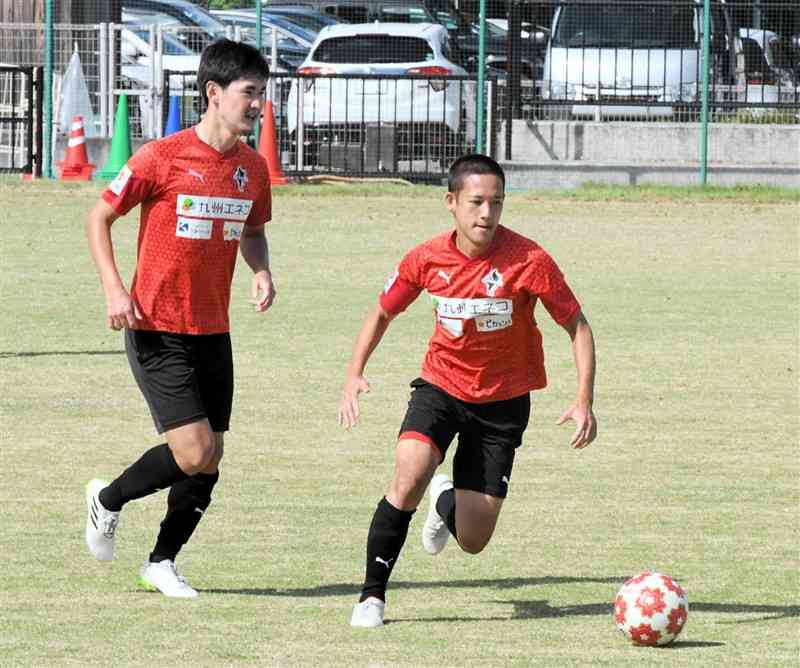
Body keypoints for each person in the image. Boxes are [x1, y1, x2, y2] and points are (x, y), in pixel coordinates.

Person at [338, 154, 597, 627]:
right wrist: (354, 372)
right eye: (476, 202)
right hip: (440, 387)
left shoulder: (529, 260)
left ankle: (444, 499)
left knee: (474, 539)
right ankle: (371, 597)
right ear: (451, 202)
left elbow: (577, 326)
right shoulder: (425, 258)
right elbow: (381, 312)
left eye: (496, 203)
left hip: (503, 404)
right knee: (408, 473)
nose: (486, 214)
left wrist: (584, 399)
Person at [84, 39, 275, 598]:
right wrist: (116, 289)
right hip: (156, 326)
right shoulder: (161, 157)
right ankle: (107, 499)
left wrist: (261, 271)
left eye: (262, 94)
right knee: (193, 452)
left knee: (210, 459)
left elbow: (255, 230)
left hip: (214, 329)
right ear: (214, 94)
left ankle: (162, 562)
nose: (258, 104)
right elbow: (99, 217)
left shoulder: (252, 169)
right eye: (249, 93)